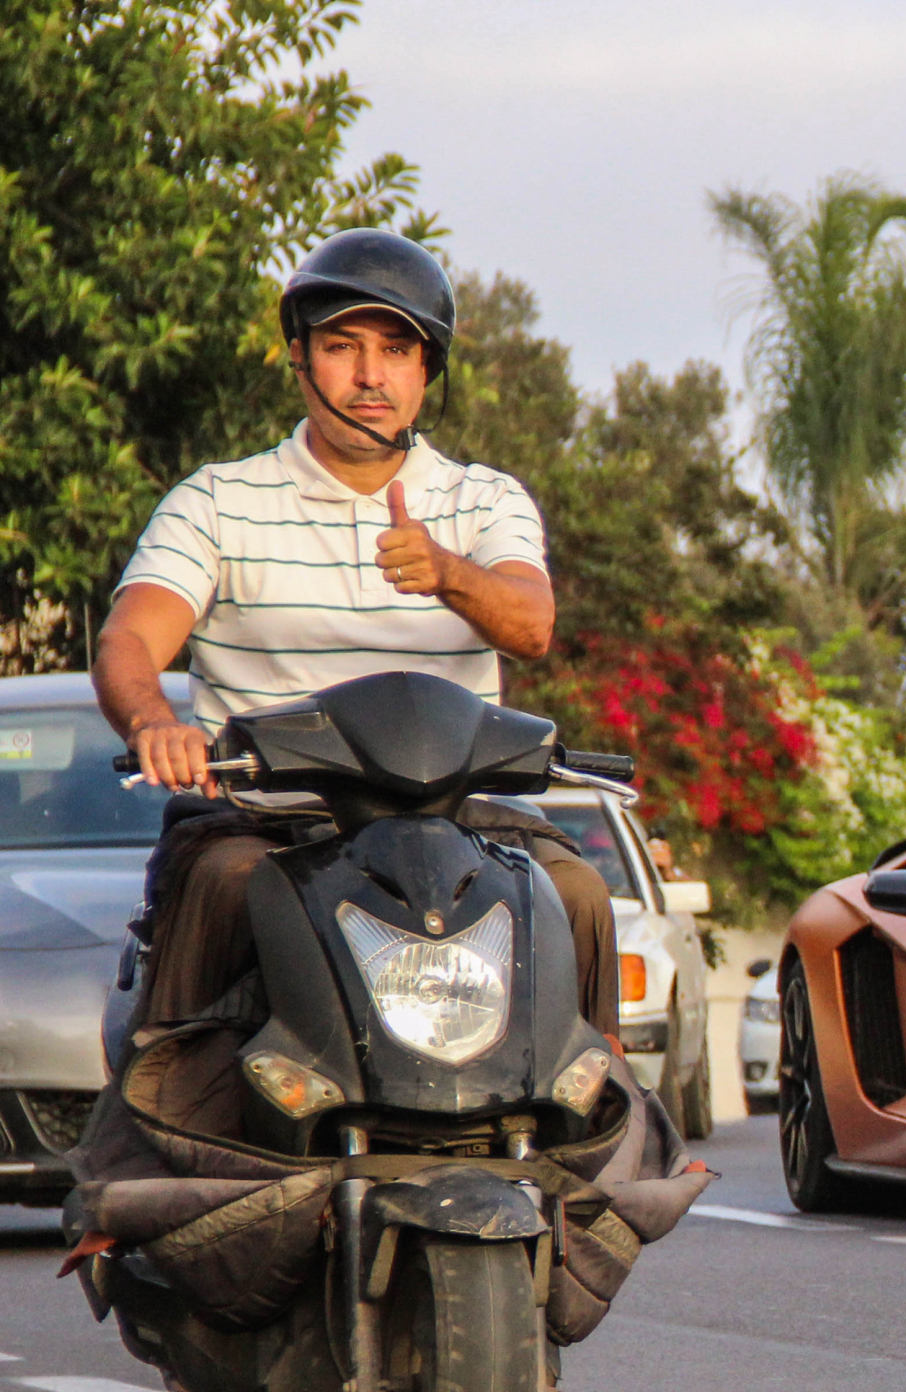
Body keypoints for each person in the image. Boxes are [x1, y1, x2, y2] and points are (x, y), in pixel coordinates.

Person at [89, 228, 620, 1040]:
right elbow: (129, 639)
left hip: (458, 825)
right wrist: (154, 721)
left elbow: (532, 624)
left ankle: (601, 1124)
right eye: (343, 346)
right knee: (224, 885)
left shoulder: (484, 501)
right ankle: (161, 1114)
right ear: (300, 360)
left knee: (575, 894)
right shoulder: (218, 500)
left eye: (397, 350)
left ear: (425, 372)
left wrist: (448, 571)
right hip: (270, 816)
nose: (371, 375)